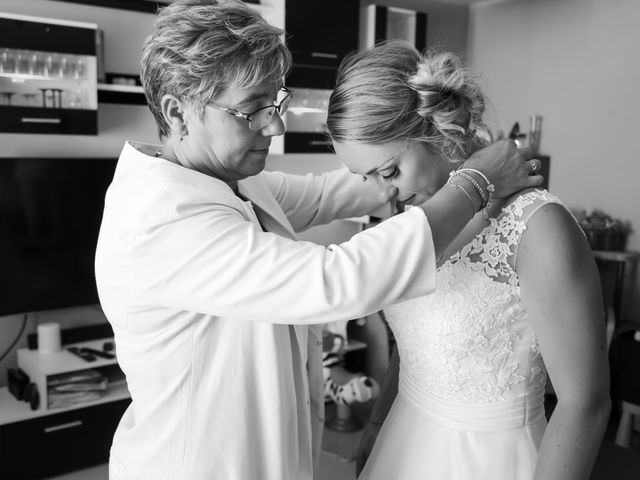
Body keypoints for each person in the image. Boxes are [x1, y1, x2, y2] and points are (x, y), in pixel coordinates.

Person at [94, 1, 541, 479]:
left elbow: (328, 192)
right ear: (177, 113)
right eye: (252, 111)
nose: (276, 125)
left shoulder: (229, 181)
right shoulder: (159, 220)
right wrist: (474, 184)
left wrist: (426, 159)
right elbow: (336, 281)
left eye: (276, 102)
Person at [326, 40, 611, 480]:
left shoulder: (538, 227)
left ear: (434, 129)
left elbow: (585, 404)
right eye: (367, 177)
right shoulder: (418, 217)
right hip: (403, 443)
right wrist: (379, 424)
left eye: (388, 172)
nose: (385, 193)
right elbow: (418, 344)